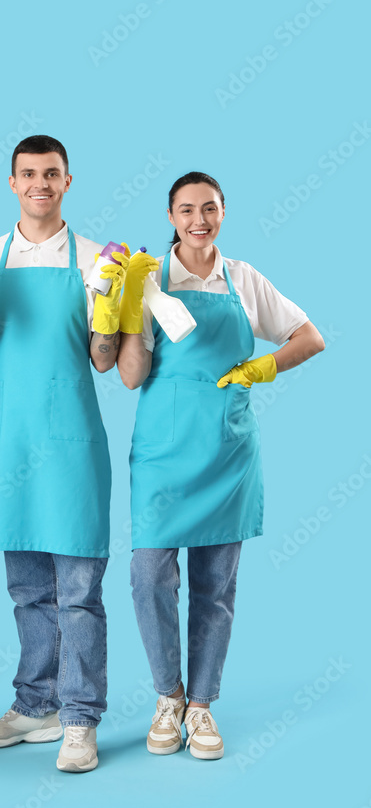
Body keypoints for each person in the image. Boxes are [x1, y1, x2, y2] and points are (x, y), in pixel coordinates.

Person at [117, 171, 325, 760]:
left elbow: (310, 337)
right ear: (171, 217)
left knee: (215, 587)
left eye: (209, 208)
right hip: (161, 453)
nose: (198, 220)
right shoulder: (149, 280)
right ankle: (169, 696)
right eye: (186, 210)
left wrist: (265, 367)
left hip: (226, 451)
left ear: (223, 212)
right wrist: (129, 307)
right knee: (148, 577)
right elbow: (130, 376)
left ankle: (202, 705)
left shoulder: (244, 279)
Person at [0, 135, 128, 772]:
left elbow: (104, 362)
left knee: (79, 592)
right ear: (13, 182)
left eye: (51, 173)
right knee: (27, 590)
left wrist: (108, 312)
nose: (40, 183)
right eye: (28, 174)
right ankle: (35, 705)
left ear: (67, 181)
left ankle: (79, 720)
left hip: (73, 443)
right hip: (12, 441)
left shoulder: (96, 259)